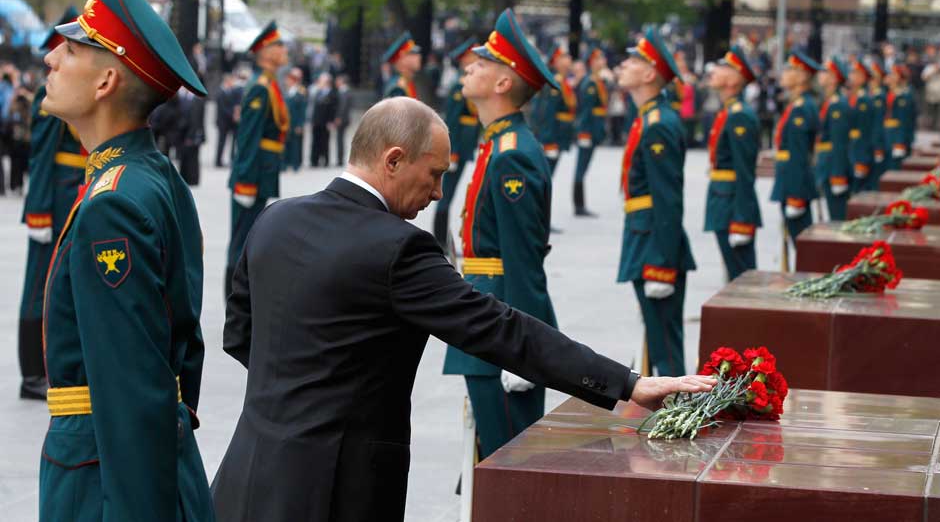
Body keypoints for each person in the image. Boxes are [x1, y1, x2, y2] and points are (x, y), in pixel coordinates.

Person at [210, 93, 716, 522]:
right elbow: (501, 329)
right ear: (392, 160)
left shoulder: (274, 220)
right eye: (433, 174)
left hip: (248, 473)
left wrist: (301, 393)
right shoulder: (397, 248)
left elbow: (239, 335)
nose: (436, 192)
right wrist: (628, 384)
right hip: (336, 490)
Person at [38, 0, 213, 521]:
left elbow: (132, 389)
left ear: (106, 81)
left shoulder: (112, 204)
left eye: (69, 50)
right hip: (140, 466)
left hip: (104, 482)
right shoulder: (149, 176)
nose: (50, 58)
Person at [440, 9, 563, 459]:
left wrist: (524, 347)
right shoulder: (496, 142)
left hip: (502, 324)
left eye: (484, 63)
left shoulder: (513, 154)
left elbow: (523, 258)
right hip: (487, 312)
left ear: (502, 84)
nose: (470, 66)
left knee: (507, 460)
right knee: (489, 458)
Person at [615, 26, 696, 377]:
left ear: (649, 74)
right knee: (657, 339)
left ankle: (680, 415)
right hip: (644, 237)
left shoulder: (658, 124)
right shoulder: (648, 118)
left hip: (654, 245)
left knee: (665, 345)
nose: (623, 64)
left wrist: (661, 262)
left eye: (633, 60)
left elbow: (668, 198)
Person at [17, 7, 84, 401]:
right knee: (37, 286)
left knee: (58, 286)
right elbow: (41, 158)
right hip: (53, 198)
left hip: (73, 191)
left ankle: (49, 367)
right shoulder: (49, 94)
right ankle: (30, 374)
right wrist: (38, 210)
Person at [225, 20, 289, 298]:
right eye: (278, 45)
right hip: (252, 175)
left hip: (262, 171)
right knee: (241, 242)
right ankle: (233, 301)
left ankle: (241, 299)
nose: (284, 50)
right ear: (265, 52)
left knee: (249, 239)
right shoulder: (260, 88)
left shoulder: (269, 85)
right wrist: (246, 181)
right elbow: (248, 138)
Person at [703, 45, 762, 281]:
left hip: (732, 205)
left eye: (724, 67)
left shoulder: (740, 115)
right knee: (734, 274)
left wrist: (742, 219)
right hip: (722, 199)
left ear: (735, 79)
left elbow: (745, 172)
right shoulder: (729, 111)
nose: (715, 70)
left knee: (742, 278)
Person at [771, 50, 821, 250]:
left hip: (795, 186)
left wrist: (796, 195)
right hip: (789, 182)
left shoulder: (802, 107)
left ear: (801, 76)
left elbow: (799, 154)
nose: (783, 74)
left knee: (802, 248)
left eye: (789, 69)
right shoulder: (796, 105)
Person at [432, 37, 479, 247]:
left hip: (464, 148)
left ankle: (440, 239)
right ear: (464, 59)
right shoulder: (458, 87)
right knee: (446, 196)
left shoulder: (466, 84)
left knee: (449, 196)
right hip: (456, 150)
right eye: (473, 57)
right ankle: (439, 241)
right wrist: (451, 153)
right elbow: (451, 122)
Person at [573, 46, 608, 217]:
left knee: (584, 167)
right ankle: (578, 205)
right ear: (592, 62)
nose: (603, 62)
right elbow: (586, 111)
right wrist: (584, 133)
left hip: (594, 129)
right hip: (587, 130)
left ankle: (580, 204)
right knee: (581, 167)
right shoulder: (589, 83)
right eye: (599, 59)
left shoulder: (597, 81)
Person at [815, 57, 851, 221]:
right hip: (826, 164)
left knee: (837, 217)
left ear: (834, 78)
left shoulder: (838, 104)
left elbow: (839, 142)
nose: (820, 75)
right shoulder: (830, 102)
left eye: (825, 72)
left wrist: (838, 175)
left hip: (833, 167)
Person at [533, 45, 576, 176]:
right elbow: (547, 113)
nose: (569, 59)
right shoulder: (553, 82)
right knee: (545, 176)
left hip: (560, 134)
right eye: (564, 56)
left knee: (549, 175)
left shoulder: (562, 81)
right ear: (556, 61)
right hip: (553, 135)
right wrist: (548, 141)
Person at [847, 58, 875, 194]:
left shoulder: (864, 99)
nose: (851, 76)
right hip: (849, 149)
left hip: (859, 151)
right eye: (851, 73)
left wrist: (862, 159)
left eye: (856, 73)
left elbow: (866, 131)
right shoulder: (852, 96)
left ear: (863, 78)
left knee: (857, 190)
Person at [884, 63, 918, 171]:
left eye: (894, 75)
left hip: (898, 135)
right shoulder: (886, 93)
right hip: (886, 134)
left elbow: (905, 120)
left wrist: (900, 140)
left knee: (896, 167)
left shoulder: (904, 95)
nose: (890, 77)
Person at [867, 57, 888, 186]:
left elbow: (878, 123)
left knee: (874, 177)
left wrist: (879, 145)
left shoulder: (879, 96)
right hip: (867, 141)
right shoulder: (871, 95)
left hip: (875, 140)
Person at [382, 30, 421, 99]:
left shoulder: (407, 83)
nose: (418, 57)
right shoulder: (398, 89)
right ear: (402, 58)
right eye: (412, 54)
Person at [215, 73, 242, 167]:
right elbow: (223, 108)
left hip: (229, 122)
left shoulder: (230, 91)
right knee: (221, 142)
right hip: (222, 122)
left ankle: (229, 159)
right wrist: (233, 115)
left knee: (228, 141)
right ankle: (218, 161)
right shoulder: (221, 92)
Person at [310, 72, 337, 167]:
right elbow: (314, 108)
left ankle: (325, 161)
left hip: (326, 122)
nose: (319, 83)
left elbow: (333, 109)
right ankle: (314, 161)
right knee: (315, 142)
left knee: (325, 142)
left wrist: (331, 121)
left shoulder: (332, 94)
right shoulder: (318, 92)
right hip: (316, 121)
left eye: (322, 81)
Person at [282, 67, 306, 171]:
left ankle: (295, 164)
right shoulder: (286, 93)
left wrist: (300, 125)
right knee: (286, 144)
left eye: (289, 80)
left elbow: (302, 111)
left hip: (295, 123)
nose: (287, 82)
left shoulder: (300, 94)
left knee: (295, 145)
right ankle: (285, 164)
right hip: (286, 123)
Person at [334, 74, 352, 166]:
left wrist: (339, 117)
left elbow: (343, 107)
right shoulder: (344, 91)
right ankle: (339, 158)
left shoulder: (344, 92)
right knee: (340, 139)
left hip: (342, 119)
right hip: (344, 119)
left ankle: (340, 159)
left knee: (340, 139)